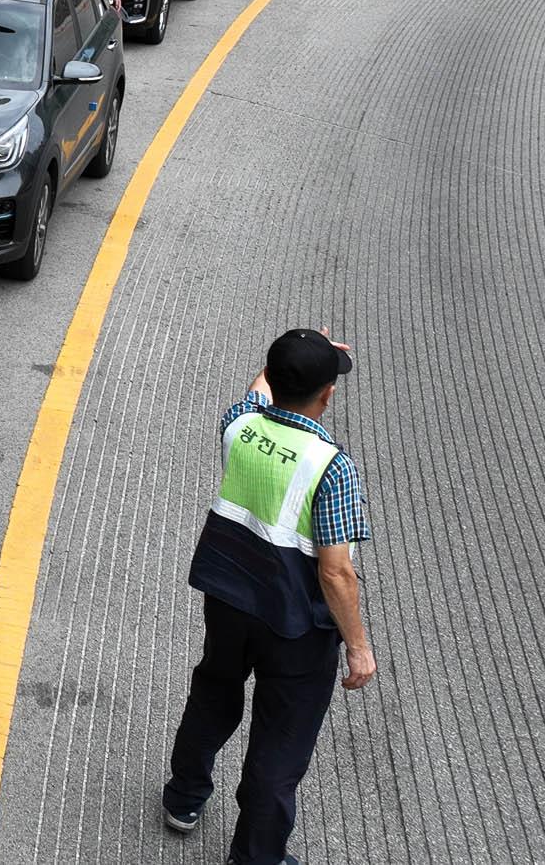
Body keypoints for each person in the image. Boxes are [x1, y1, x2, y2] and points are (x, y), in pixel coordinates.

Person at [160, 328, 374, 865]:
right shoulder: (332, 467)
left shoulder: (241, 425)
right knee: (280, 744)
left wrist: (293, 355)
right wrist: (358, 646)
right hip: (297, 627)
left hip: (229, 600)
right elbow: (337, 574)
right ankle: (256, 856)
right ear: (328, 395)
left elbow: (258, 390)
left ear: (274, 379)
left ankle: (184, 797)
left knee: (214, 692)